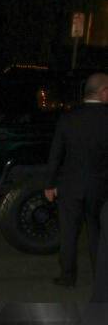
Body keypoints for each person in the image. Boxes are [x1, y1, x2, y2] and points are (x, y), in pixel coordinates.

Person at [45, 72, 108, 287]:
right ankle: (101, 278)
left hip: (70, 185)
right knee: (97, 233)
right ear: (103, 92)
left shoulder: (68, 117)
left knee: (68, 232)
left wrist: (49, 184)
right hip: (100, 186)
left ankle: (67, 276)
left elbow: (56, 153)